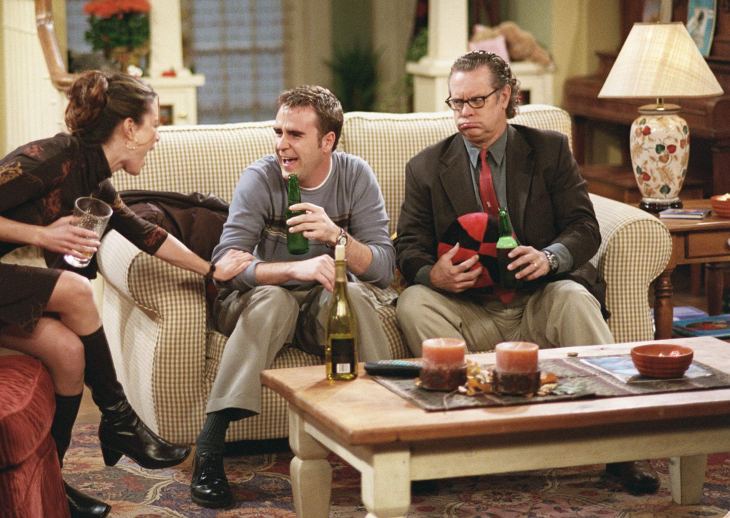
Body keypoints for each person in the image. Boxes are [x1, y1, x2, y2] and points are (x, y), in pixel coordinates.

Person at [0, 71, 253, 518]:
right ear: (129, 128)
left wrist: (212, 270)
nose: (158, 137)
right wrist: (42, 236)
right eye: (155, 125)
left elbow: (145, 233)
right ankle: (119, 419)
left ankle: (53, 485)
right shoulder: (50, 157)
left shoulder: (93, 178)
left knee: (67, 353)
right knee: (77, 291)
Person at [393, 50, 660, 495]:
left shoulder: (548, 150)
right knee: (414, 300)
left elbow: (584, 226)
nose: (463, 112)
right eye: (456, 102)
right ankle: (450, 445)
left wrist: (550, 257)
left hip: (539, 298)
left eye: (476, 101)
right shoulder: (425, 167)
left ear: (505, 97)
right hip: (469, 309)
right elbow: (407, 245)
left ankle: (622, 450)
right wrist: (432, 274)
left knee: (575, 298)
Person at [190, 85, 395, 508]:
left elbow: (383, 269)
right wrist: (289, 270)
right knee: (275, 301)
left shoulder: (355, 176)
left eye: (295, 134)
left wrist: (337, 236)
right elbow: (228, 266)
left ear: (327, 141)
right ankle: (209, 448)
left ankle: (392, 439)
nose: (281, 144)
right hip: (261, 301)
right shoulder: (260, 178)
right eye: (278, 131)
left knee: (354, 297)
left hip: (323, 304)